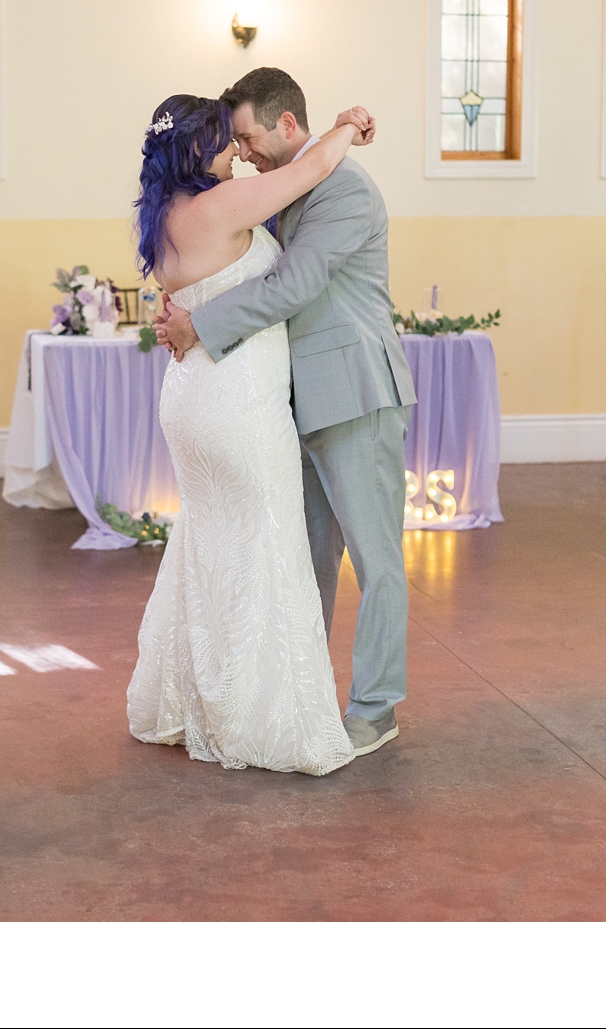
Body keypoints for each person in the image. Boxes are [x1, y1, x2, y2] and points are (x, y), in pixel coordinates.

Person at [155, 68, 416, 760]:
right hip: (290, 402)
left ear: (289, 125)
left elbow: (295, 284)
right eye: (233, 141)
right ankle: (298, 698)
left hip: (355, 392)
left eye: (248, 137)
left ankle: (375, 707)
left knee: (376, 558)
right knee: (306, 561)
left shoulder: (345, 189)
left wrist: (199, 324)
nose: (243, 152)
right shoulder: (283, 187)